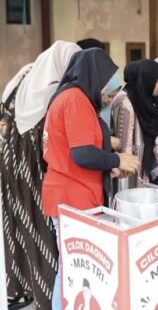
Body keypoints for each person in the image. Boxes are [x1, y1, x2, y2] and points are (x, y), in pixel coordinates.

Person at [42, 48, 140, 310]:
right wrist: (118, 160)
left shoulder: (70, 96)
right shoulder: (75, 100)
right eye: (106, 83)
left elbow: (79, 144)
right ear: (94, 76)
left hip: (72, 195)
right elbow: (82, 154)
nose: (107, 94)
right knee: (70, 268)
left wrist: (108, 159)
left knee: (74, 268)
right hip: (71, 197)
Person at [0, 41, 81, 310]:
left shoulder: (25, 74)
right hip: (32, 167)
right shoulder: (51, 92)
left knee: (17, 222)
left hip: (9, 162)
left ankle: (19, 288)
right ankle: (44, 294)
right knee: (39, 228)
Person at [112, 60, 158, 183]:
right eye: (157, 79)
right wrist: (135, 179)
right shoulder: (125, 102)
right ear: (146, 79)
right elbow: (124, 148)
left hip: (149, 170)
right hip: (129, 178)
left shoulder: (154, 98)